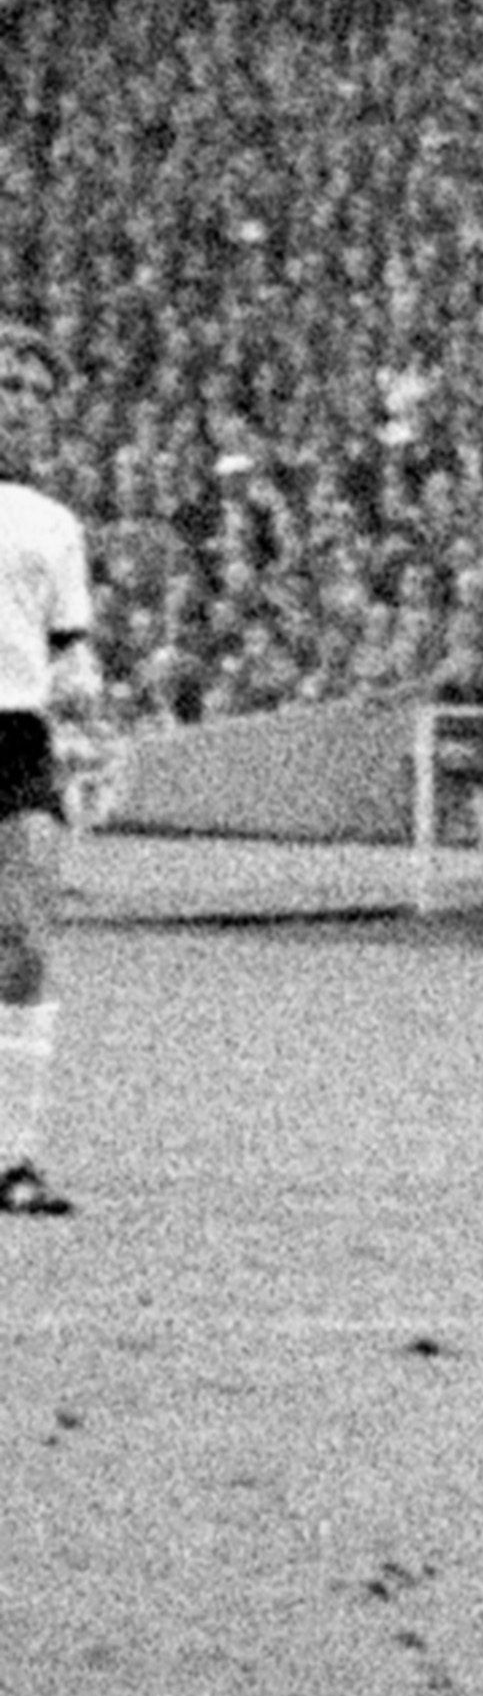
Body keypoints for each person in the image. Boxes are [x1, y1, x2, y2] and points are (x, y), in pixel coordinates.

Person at [0, 322, 100, 1220]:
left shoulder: (53, 526)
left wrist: (88, 712)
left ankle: (13, 1159)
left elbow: (68, 653)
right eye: (7, 385)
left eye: (36, 392)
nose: (22, 404)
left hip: (16, 744)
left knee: (24, 940)